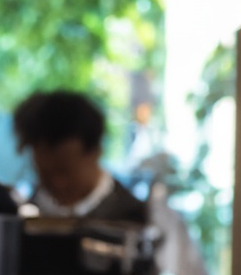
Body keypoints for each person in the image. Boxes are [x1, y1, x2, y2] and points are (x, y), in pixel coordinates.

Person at [11, 91, 147, 223]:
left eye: (64, 172)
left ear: (96, 151)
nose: (57, 182)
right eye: (44, 173)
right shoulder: (19, 216)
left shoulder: (134, 220)